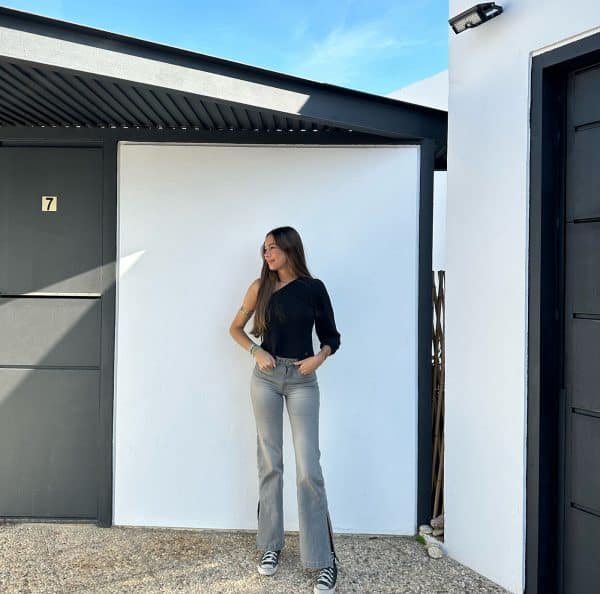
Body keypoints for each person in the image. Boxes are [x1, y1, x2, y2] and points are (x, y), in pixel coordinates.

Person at [229, 226, 341, 594]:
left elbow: (331, 337)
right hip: (265, 377)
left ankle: (323, 560)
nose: (267, 254)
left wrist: (319, 359)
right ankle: (270, 547)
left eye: (272, 248)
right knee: (270, 462)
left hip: (302, 379)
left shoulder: (313, 288)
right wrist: (255, 350)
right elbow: (235, 328)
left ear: (290, 249)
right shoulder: (258, 288)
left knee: (309, 467)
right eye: (264, 249)